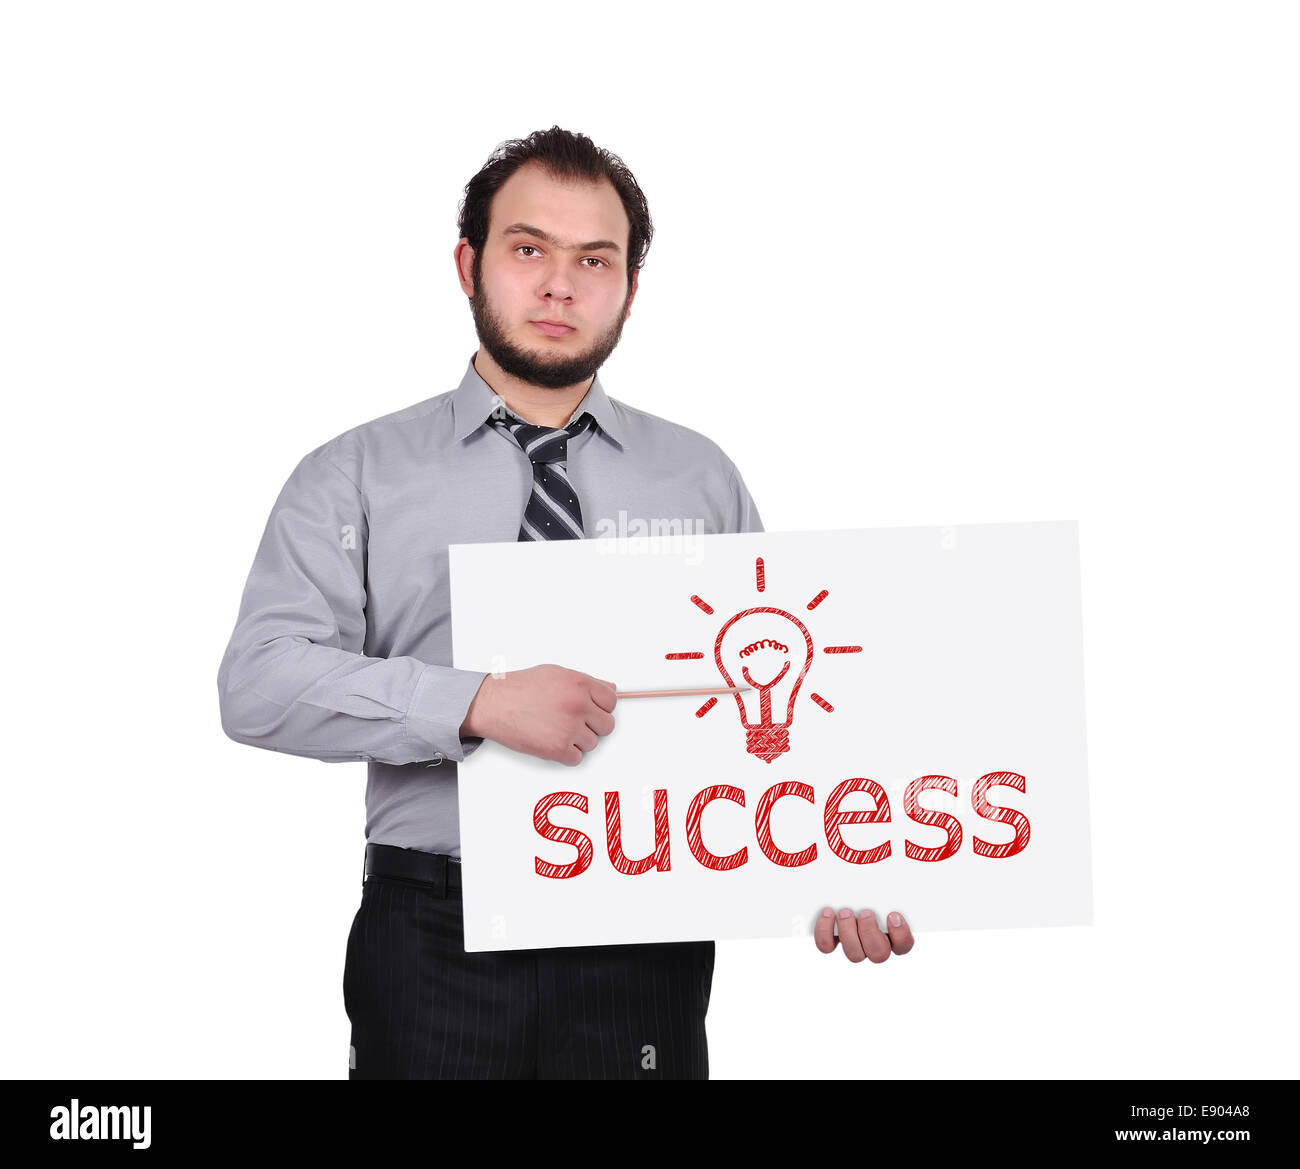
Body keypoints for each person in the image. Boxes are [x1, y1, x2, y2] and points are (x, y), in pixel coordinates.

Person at [216, 126, 913, 1081]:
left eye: (596, 259)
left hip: (645, 925)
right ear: (471, 263)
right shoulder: (355, 474)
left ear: (630, 286)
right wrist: (476, 701)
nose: (560, 285)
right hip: (433, 931)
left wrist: (842, 863)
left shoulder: (701, 478)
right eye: (529, 249)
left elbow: (780, 694)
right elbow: (258, 683)